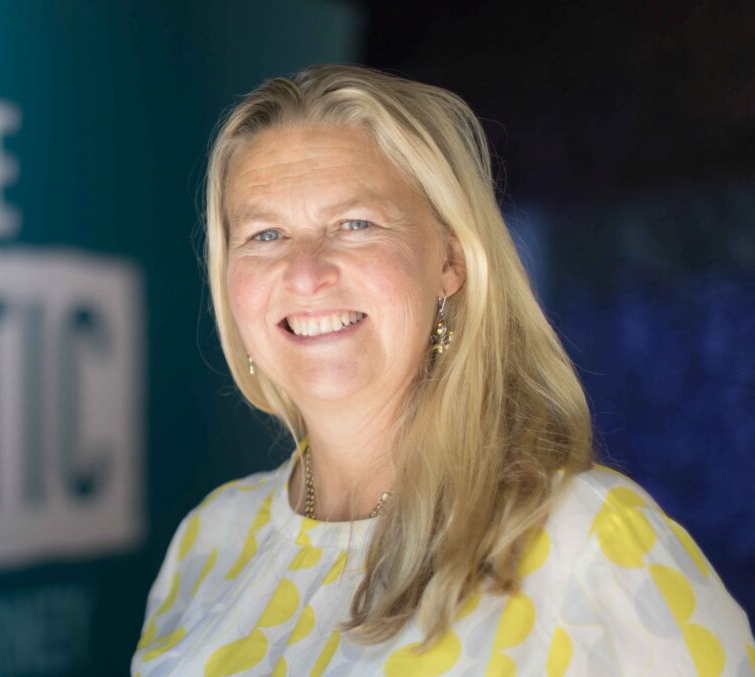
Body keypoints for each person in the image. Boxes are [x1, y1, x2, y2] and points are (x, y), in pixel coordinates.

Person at [131, 65, 753, 676]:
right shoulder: (209, 539)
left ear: (450, 262)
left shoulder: (591, 542)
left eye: (355, 224)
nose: (305, 273)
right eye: (266, 234)